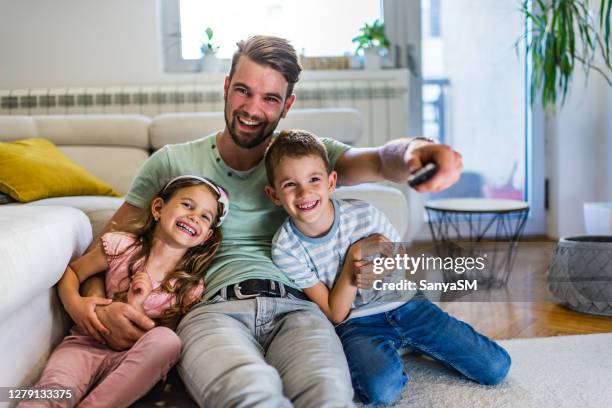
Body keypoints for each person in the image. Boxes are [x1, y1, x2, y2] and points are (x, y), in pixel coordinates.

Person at [83, 35, 463, 407]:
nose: (251, 108)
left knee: (328, 396)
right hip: (212, 311)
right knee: (251, 395)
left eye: (269, 98)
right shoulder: (170, 162)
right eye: (243, 91)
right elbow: (112, 242)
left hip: (299, 309)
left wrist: (419, 151)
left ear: (287, 105)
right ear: (227, 86)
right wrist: (95, 307)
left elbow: (381, 159)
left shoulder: (301, 158)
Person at [265, 129, 511, 405]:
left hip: (408, 304)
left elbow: (400, 257)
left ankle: (412, 342)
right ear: (274, 195)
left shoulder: (363, 213)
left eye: (314, 179)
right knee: (382, 391)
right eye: (290, 184)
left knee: (496, 368)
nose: (305, 192)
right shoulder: (285, 247)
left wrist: (383, 269)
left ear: (331, 181)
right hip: (357, 324)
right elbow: (336, 313)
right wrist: (354, 260)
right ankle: (398, 349)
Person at [21, 175, 228, 408]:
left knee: (168, 341)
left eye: (204, 217)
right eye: (187, 205)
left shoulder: (188, 286)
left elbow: (160, 337)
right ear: (158, 208)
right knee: (51, 393)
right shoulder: (122, 247)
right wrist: (75, 305)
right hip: (86, 344)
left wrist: (136, 304)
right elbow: (73, 273)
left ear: (207, 236)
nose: (194, 217)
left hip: (132, 360)